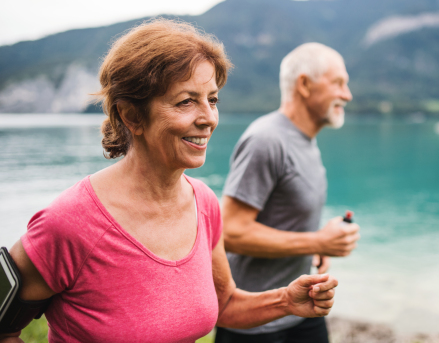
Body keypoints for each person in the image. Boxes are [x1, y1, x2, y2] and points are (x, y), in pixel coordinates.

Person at [0, 20, 338, 343]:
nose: (208, 118)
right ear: (132, 115)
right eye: (186, 101)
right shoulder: (70, 222)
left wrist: (285, 302)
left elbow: (225, 305)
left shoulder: (204, 205)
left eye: (213, 99)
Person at [215, 43, 360, 343]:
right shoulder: (266, 139)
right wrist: (317, 240)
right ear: (305, 85)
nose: (347, 95)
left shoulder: (306, 140)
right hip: (254, 325)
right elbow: (230, 231)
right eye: (338, 83)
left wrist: (316, 247)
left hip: (301, 312)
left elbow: (282, 217)